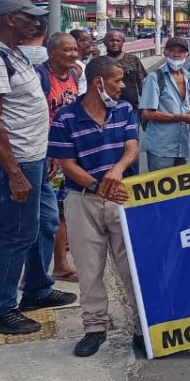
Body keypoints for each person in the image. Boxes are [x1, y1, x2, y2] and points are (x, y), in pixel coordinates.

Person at [0, 0, 75, 335]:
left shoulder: (14, 54)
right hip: (12, 162)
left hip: (34, 158)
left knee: (44, 222)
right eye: (28, 15)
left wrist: (43, 155)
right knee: (16, 234)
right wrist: (15, 173)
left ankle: (37, 289)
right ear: (9, 18)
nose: (36, 21)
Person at [47, 56, 142, 357]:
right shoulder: (66, 118)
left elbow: (131, 148)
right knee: (89, 268)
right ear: (98, 82)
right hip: (82, 201)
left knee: (132, 267)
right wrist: (97, 185)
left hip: (122, 197)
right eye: (117, 80)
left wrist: (117, 171)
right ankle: (94, 327)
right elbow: (68, 164)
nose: (122, 86)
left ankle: (142, 328)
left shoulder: (125, 110)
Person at [36, 32, 81, 284]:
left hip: (67, 155)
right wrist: (49, 151)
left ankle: (61, 265)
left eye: (75, 49)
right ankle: (35, 274)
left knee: (63, 211)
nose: (73, 54)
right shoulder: (41, 77)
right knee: (44, 216)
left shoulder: (73, 75)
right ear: (51, 51)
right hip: (46, 156)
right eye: (67, 50)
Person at [140, 37, 190, 171]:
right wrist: (183, 118)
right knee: (159, 187)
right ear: (165, 53)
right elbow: (147, 113)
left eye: (181, 51)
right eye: (172, 50)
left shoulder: (188, 77)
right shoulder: (155, 77)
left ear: (187, 55)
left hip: (182, 144)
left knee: (179, 189)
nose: (176, 54)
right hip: (161, 148)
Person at [102, 30, 147, 112]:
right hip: (107, 109)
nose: (115, 43)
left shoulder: (133, 60)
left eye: (118, 40)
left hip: (132, 109)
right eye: (111, 40)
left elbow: (141, 83)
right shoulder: (101, 62)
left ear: (123, 42)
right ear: (105, 42)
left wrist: (145, 106)